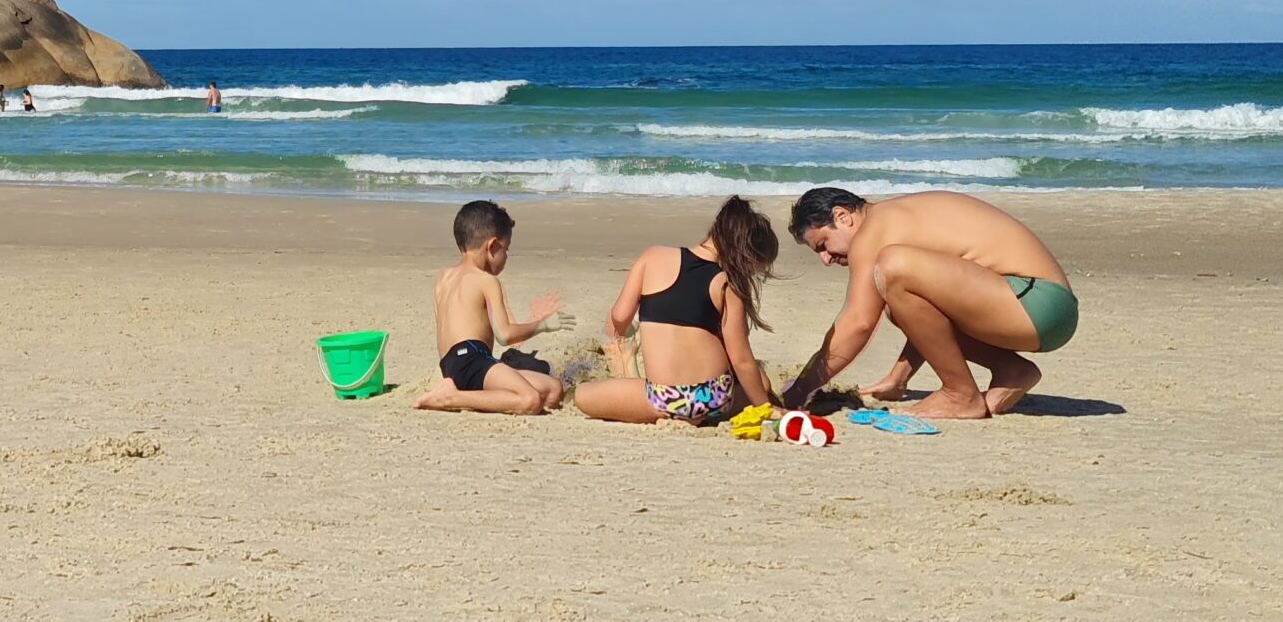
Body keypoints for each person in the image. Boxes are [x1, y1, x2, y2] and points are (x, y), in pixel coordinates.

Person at [779, 187, 1077, 420]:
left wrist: (801, 389)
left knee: (892, 268)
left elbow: (857, 323)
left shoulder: (874, 231)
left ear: (843, 216)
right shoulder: (894, 218)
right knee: (894, 293)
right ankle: (1012, 370)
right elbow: (928, 314)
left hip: (1035, 299)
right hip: (1042, 309)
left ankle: (961, 395)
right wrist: (898, 378)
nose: (826, 259)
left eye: (823, 245)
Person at [573, 197, 778, 425]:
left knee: (583, 395)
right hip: (714, 398)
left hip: (663, 398)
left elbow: (619, 317)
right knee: (761, 381)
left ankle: (640, 384)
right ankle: (692, 415)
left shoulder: (653, 256)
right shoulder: (728, 283)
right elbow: (741, 359)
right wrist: (765, 408)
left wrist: (624, 329)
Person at [415, 200, 565, 414]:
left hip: (450, 366)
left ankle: (458, 391)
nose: (506, 256)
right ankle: (451, 398)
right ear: (493, 246)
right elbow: (505, 335)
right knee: (529, 400)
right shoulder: (486, 280)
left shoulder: (443, 277)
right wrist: (543, 325)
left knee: (552, 390)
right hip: (472, 358)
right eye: (507, 249)